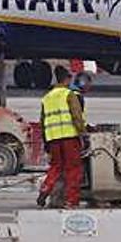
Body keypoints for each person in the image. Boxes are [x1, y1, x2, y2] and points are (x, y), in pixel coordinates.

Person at [37, 67, 87, 209]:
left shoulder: (47, 97)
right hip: (69, 137)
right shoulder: (69, 95)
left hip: (53, 138)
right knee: (73, 169)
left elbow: (42, 121)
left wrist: (46, 140)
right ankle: (71, 201)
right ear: (67, 78)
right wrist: (83, 134)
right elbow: (77, 116)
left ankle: (45, 188)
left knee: (56, 166)